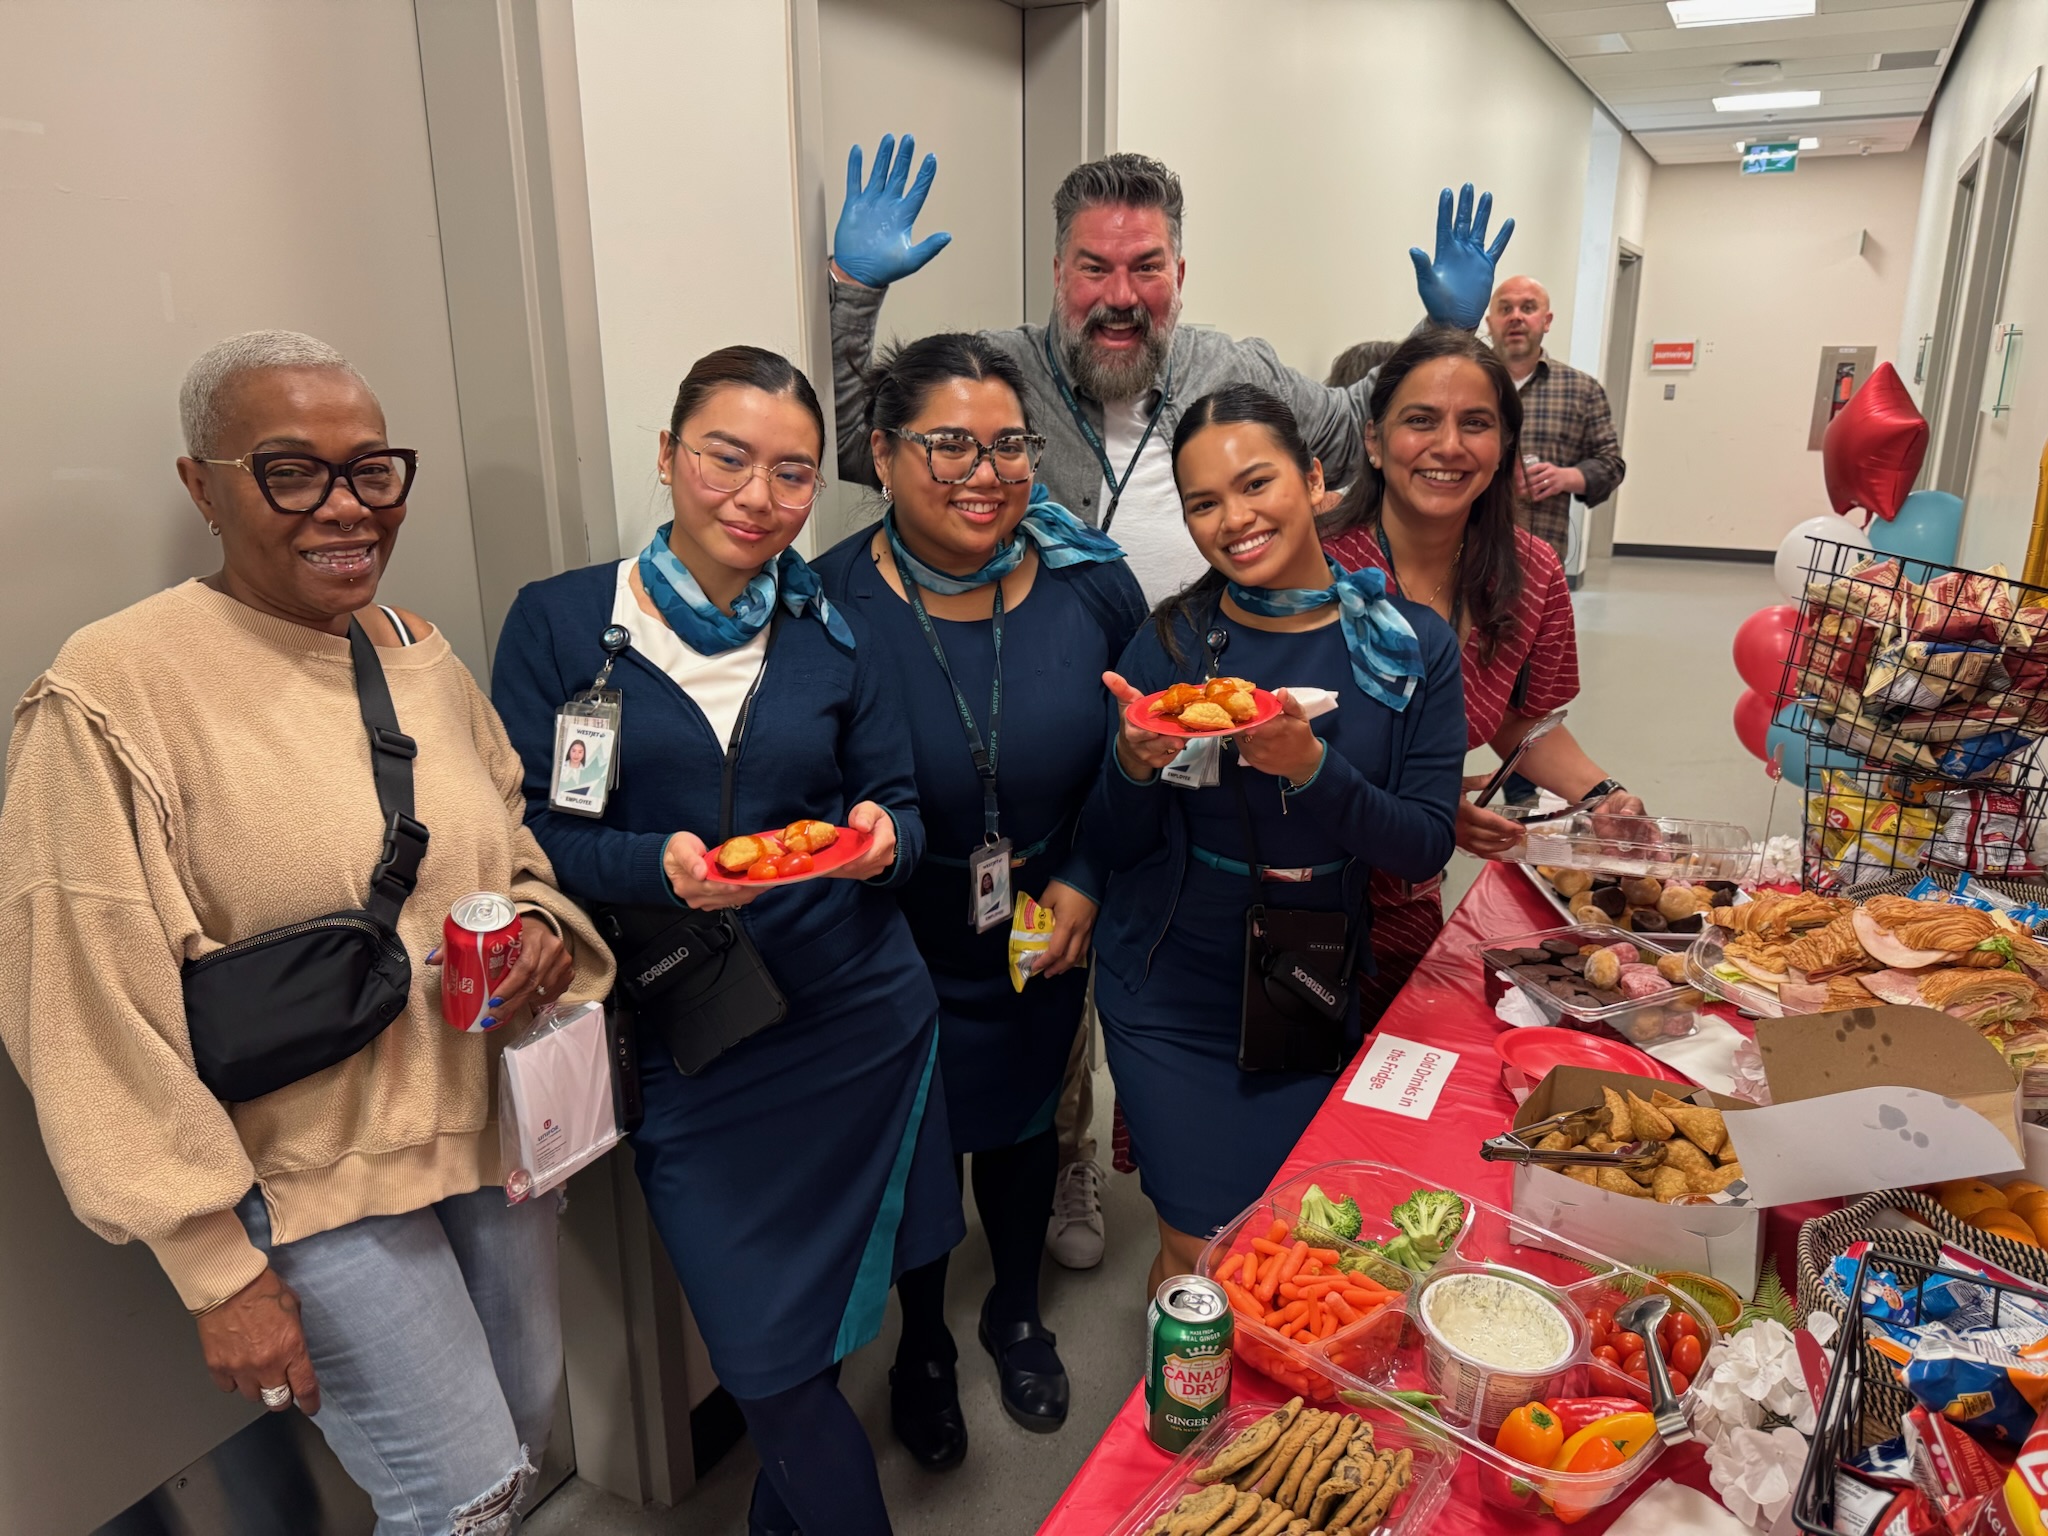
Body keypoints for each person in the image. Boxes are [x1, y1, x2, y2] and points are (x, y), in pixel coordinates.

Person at [830, 136, 1511, 1267]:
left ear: (1177, 274)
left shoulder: (1232, 373)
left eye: (1144, 267)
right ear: (1058, 273)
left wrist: (1439, 333)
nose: (1118, 294)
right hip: (1074, 703)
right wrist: (854, 297)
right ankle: (1063, 1173)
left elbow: (1352, 429)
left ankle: (1080, 1179)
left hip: (1213, 718)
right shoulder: (998, 369)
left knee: (1129, 951)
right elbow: (880, 439)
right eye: (1094, 268)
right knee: (1056, 967)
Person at [0, 330, 613, 1536]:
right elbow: (78, 1009)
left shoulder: (413, 655)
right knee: (463, 1499)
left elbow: (517, 850)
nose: (347, 508)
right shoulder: (114, 691)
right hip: (304, 1185)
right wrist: (215, 1268)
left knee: (520, 1441)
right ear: (202, 486)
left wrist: (542, 928)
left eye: (372, 469)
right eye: (293, 472)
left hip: (488, 1145)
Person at [490, 345, 959, 1536]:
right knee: (764, 1357)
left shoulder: (839, 630)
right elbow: (528, 831)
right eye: (725, 457)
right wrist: (653, 867)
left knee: (828, 1326)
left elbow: (904, 813)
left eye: (792, 473)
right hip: (696, 1038)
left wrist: (874, 841)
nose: (757, 497)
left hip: (858, 1020)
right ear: (667, 455)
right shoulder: (561, 624)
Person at [814, 334, 1147, 1466]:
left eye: (1008, 443)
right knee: (915, 1141)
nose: (983, 470)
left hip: (1041, 911)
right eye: (946, 442)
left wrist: (1088, 877)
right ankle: (920, 1344)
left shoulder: (1090, 580)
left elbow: (1139, 750)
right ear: (880, 451)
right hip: (889, 927)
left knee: (1016, 1125)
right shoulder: (827, 601)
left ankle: (1013, 1310)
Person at [1090, 385, 1466, 1287]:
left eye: (1257, 484)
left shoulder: (1408, 646)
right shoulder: (1175, 645)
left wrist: (1311, 768)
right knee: (1200, 1243)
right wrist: (1135, 762)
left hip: (1308, 970)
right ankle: (1181, 1422)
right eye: (1204, 503)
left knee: (1286, 1241)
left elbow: (1422, 845)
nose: (1235, 519)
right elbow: (1112, 842)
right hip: (1168, 976)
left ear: (1315, 479)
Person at [1323, 327, 1646, 1021]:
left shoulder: (1530, 575)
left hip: (1408, 887)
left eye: (1476, 423)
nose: (1449, 445)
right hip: (1292, 885)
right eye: (1420, 420)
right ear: (1375, 442)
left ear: (1503, 449)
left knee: (1392, 1087)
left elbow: (1518, 717)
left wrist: (1603, 796)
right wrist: (1425, 809)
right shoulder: (1316, 568)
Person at [1484, 275, 1625, 568]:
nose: (1516, 317)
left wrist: (1565, 477)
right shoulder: (1465, 383)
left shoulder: (1581, 390)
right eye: (1505, 309)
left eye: (1528, 307)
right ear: (1490, 322)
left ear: (1546, 321)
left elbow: (1611, 465)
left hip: (1539, 556)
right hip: (1462, 548)